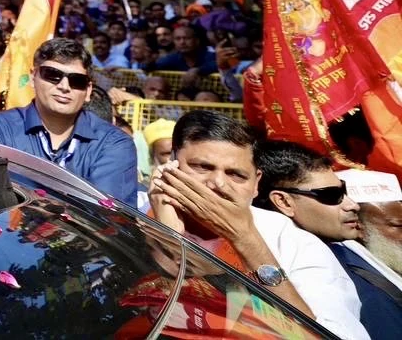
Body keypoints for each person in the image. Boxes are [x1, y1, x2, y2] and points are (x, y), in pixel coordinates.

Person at [149, 112, 368, 340]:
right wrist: (168, 234)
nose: (218, 184)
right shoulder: (138, 213)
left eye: (236, 175)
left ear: (256, 184)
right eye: (202, 167)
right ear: (170, 165)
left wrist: (245, 238)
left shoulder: (294, 245)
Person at [257, 143, 402, 338]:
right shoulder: (276, 261)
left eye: (344, 192)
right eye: (332, 195)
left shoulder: (346, 250)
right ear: (283, 202)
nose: (352, 205)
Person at [0, 38, 138, 205]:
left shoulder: (114, 143)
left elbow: (106, 217)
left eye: (76, 81)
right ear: (33, 77)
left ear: (88, 90)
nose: (64, 86)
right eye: (53, 75)